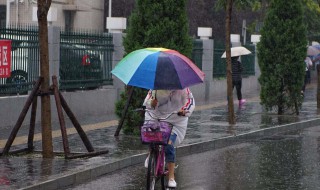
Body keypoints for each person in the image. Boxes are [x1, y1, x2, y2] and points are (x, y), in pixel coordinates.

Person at [143, 88, 195, 188]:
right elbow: (148, 100)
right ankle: (151, 153)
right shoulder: (155, 88)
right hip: (156, 118)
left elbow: (190, 101)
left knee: (169, 143)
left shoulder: (184, 89)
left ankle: (171, 177)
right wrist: (151, 103)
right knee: (151, 135)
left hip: (175, 122)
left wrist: (184, 110)